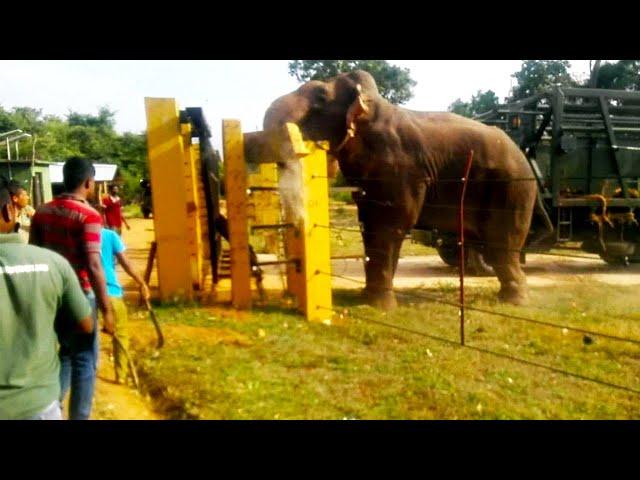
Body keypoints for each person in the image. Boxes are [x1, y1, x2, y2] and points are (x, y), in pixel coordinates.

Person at [0, 176, 94, 420]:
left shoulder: (41, 214)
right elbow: (85, 325)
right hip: (37, 405)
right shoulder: (52, 264)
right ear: (9, 211)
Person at [30, 157, 114, 420]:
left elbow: (34, 253)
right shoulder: (89, 216)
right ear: (89, 183)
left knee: (65, 353)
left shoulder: (42, 212)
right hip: (81, 298)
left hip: (52, 297)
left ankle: (54, 406)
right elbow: (93, 264)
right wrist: (107, 309)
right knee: (84, 360)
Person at [101, 227, 150, 384]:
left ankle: (84, 374)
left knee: (85, 337)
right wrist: (140, 282)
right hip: (110, 292)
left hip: (85, 292)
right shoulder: (109, 235)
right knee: (120, 334)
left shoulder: (76, 234)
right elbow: (125, 262)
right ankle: (121, 376)